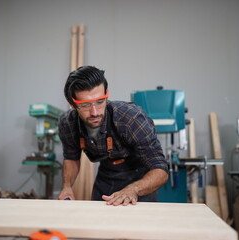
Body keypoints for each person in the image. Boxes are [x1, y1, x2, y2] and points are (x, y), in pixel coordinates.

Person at [57, 66, 168, 206]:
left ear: (107, 93)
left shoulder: (130, 118)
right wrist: (67, 186)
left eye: (100, 101)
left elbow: (160, 169)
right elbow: (71, 158)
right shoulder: (68, 124)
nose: (94, 112)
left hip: (140, 179)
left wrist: (133, 189)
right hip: (106, 177)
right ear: (72, 103)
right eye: (85, 105)